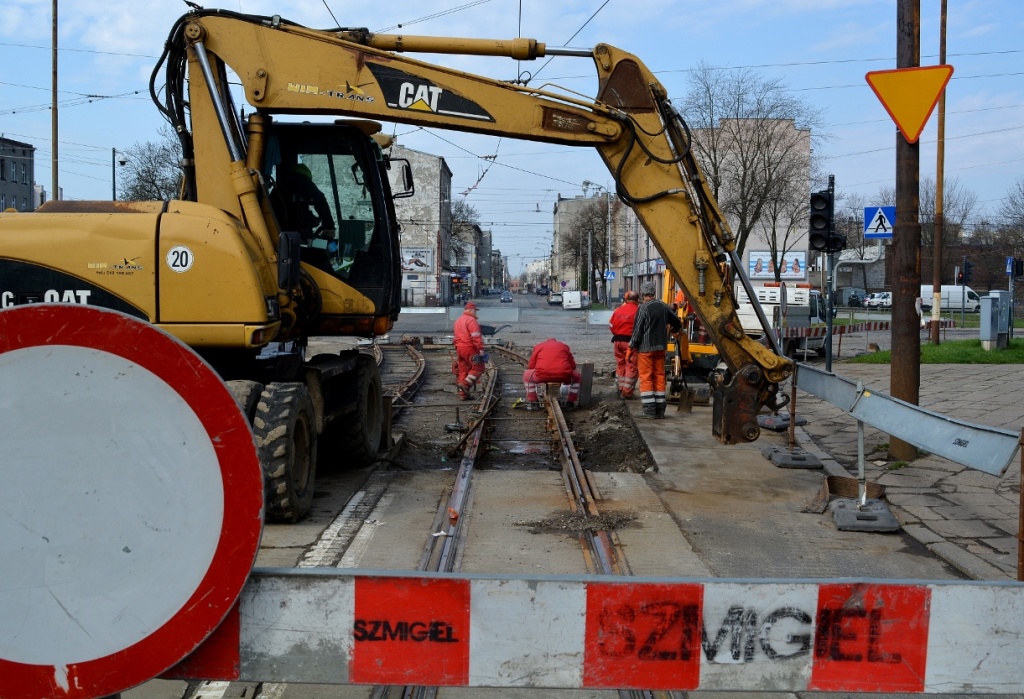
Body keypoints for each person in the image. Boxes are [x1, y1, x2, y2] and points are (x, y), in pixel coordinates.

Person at [628, 281, 682, 419]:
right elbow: (676, 321)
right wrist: (675, 330)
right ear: (654, 293)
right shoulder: (663, 306)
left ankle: (650, 411)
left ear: (642, 294)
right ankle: (660, 410)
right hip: (660, 348)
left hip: (646, 349)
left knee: (646, 377)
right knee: (659, 376)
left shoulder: (643, 308)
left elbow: (637, 330)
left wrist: (631, 346)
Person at [279, 163, 336, 242]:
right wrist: (329, 226)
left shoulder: (282, 187)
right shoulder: (301, 180)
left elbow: (300, 210)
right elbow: (319, 198)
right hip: (292, 238)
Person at [523, 338, 581, 411]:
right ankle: (570, 403)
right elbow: (573, 366)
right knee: (577, 377)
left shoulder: (539, 346)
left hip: (542, 375)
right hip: (563, 375)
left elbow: (531, 365)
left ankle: (533, 402)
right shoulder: (564, 346)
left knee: (526, 375)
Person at [609, 289, 640, 398]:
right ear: (637, 300)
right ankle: (626, 393)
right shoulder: (638, 310)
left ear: (626, 299)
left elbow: (611, 326)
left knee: (621, 364)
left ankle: (620, 388)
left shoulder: (618, 310)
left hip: (617, 342)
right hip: (631, 343)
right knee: (631, 366)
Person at [453, 301, 486, 400]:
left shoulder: (458, 320)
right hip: (470, 348)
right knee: (478, 367)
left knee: (463, 370)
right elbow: (476, 336)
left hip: (460, 348)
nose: (476, 313)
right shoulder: (471, 320)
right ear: (471, 310)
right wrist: (480, 349)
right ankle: (465, 384)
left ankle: (463, 395)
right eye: (475, 311)